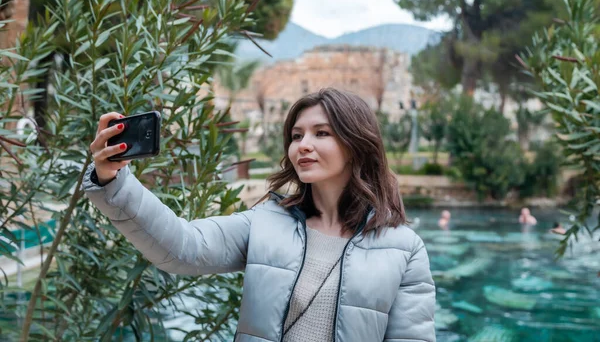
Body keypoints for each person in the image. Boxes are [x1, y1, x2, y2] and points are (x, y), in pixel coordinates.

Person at [84, 88, 436, 342]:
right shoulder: (265, 222)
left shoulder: (404, 248)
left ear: (357, 145)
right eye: (296, 135)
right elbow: (182, 247)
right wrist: (112, 179)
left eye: (322, 133)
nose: (303, 145)